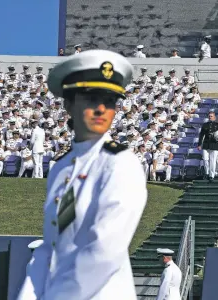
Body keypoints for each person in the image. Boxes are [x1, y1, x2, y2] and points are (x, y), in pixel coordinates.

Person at [17, 49, 147, 300]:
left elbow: (105, 250)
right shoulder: (61, 169)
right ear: (68, 103)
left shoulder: (120, 163)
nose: (101, 109)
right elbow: (52, 247)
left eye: (109, 101)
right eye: (90, 99)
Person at [197, 110, 218, 182]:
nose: (210, 117)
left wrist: (217, 138)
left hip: (214, 144)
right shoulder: (205, 125)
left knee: (213, 161)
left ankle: (211, 175)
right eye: (209, 116)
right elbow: (201, 135)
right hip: (206, 144)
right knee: (205, 159)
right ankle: (207, 172)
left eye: (211, 116)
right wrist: (199, 144)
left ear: (214, 117)